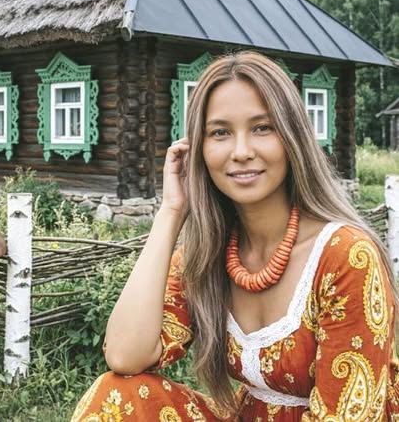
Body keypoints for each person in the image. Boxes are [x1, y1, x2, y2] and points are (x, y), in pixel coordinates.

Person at [71, 51, 399, 421]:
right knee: (119, 393)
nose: (241, 152)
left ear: (293, 137)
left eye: (262, 128)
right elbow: (125, 356)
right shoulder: (209, 253)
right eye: (220, 133)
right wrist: (171, 213)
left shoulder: (346, 255)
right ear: (199, 149)